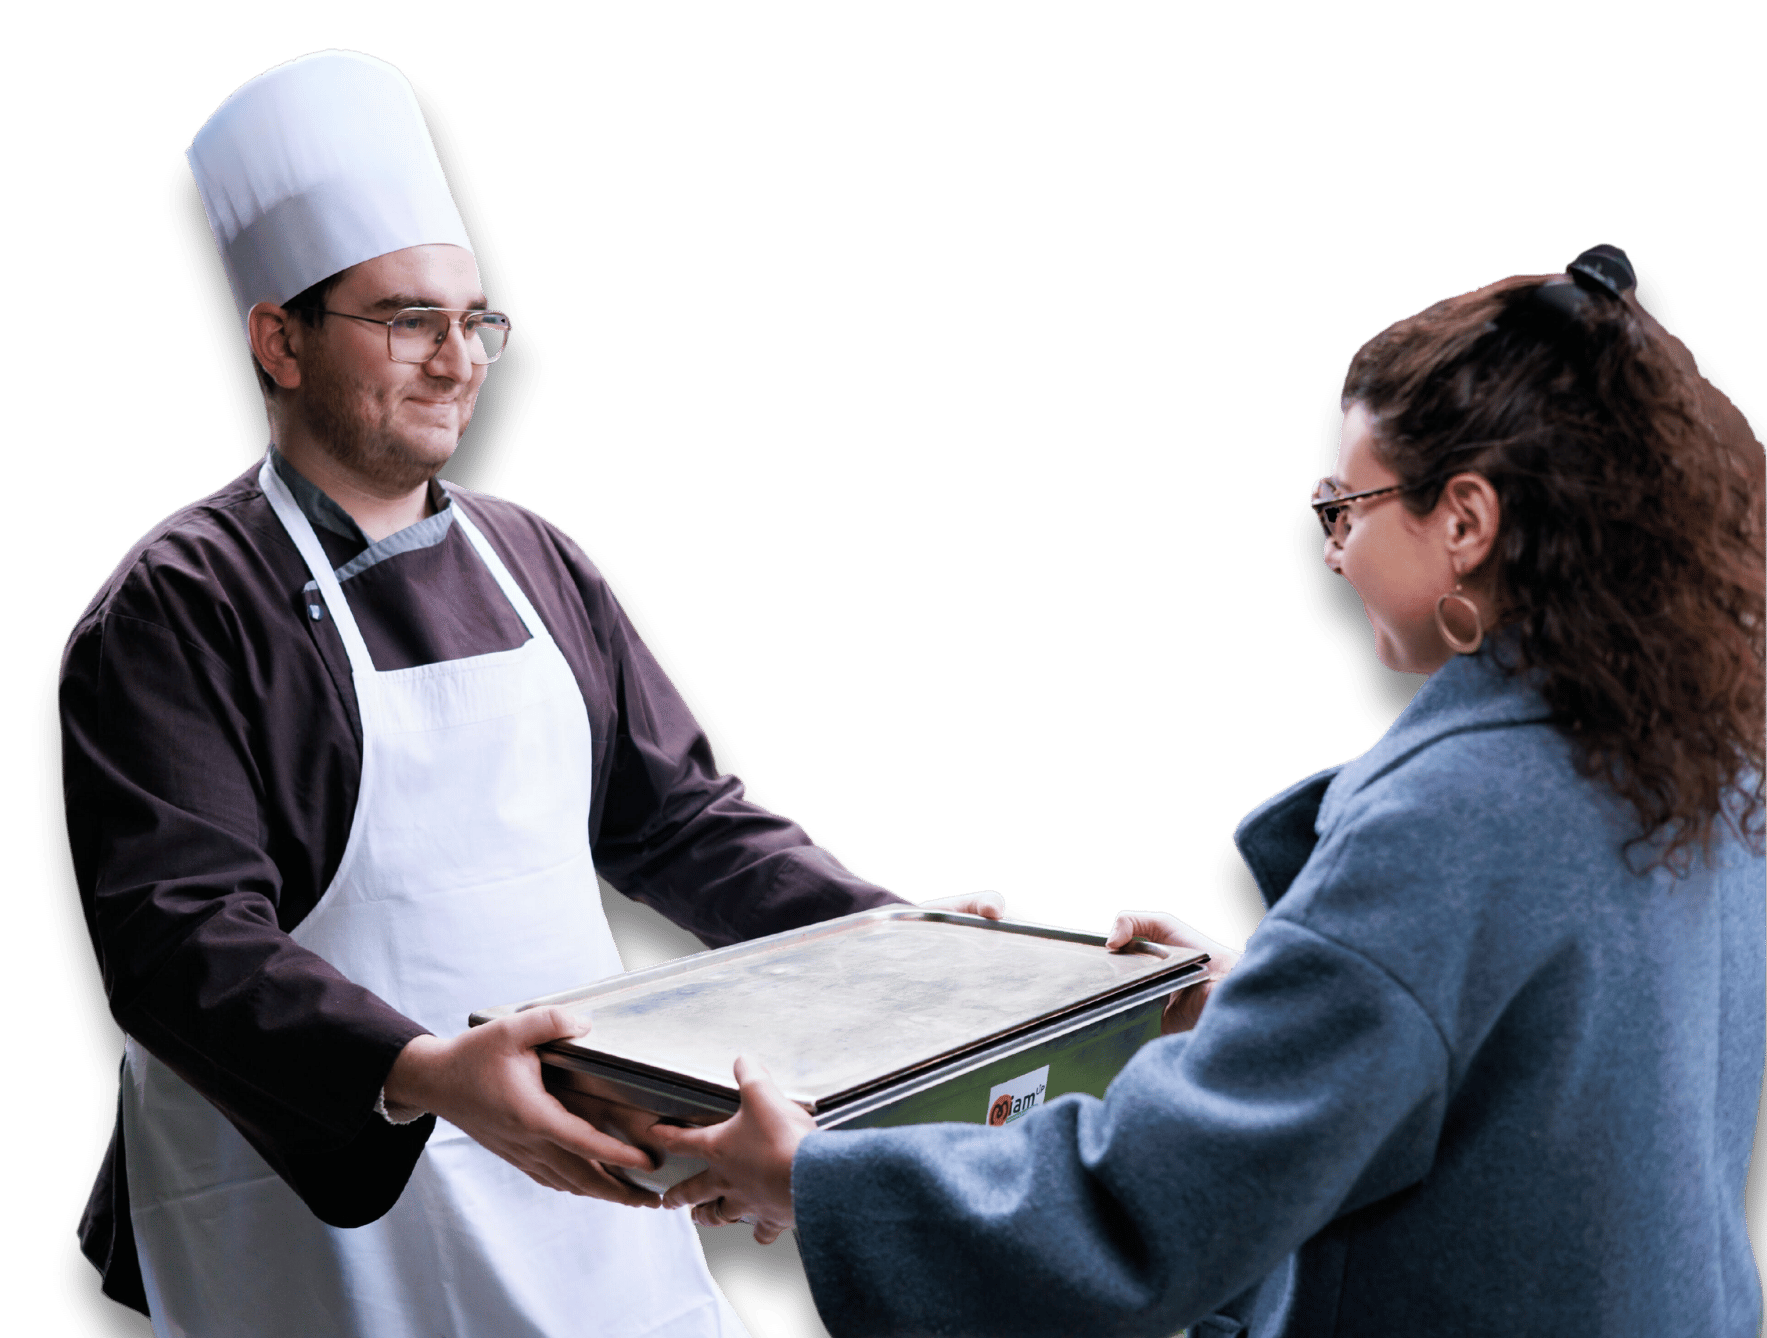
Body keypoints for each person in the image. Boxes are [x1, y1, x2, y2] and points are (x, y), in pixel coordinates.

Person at [55, 49, 1009, 1338]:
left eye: (478, 324)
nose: (461, 361)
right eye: (407, 320)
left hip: (584, 1163)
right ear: (275, 338)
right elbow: (178, 940)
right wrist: (425, 1075)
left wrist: (901, 949)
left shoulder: (537, 560)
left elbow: (683, 823)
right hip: (321, 1198)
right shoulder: (181, 603)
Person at [651, 245, 1767, 1337]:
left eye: (1345, 507)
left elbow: (1145, 1212)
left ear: (1465, 522)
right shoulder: (1690, 756)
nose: (1330, 552)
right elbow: (1542, 1073)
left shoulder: (1451, 815)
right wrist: (1272, 1001)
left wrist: (811, 1179)